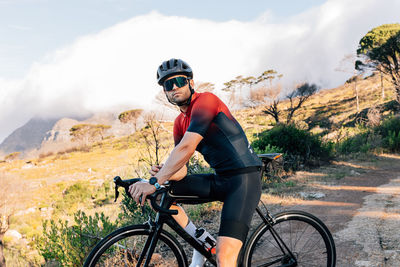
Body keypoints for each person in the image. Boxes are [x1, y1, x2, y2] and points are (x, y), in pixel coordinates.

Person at [128, 58, 262, 267]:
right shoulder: (179, 123)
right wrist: (163, 174)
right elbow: (182, 170)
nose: (174, 88)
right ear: (164, 92)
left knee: (225, 259)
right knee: (162, 194)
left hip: (244, 178)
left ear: (190, 82)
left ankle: (218, 251)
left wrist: (153, 181)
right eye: (168, 85)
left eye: (179, 81)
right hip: (221, 179)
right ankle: (203, 241)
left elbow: (186, 147)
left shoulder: (206, 101)